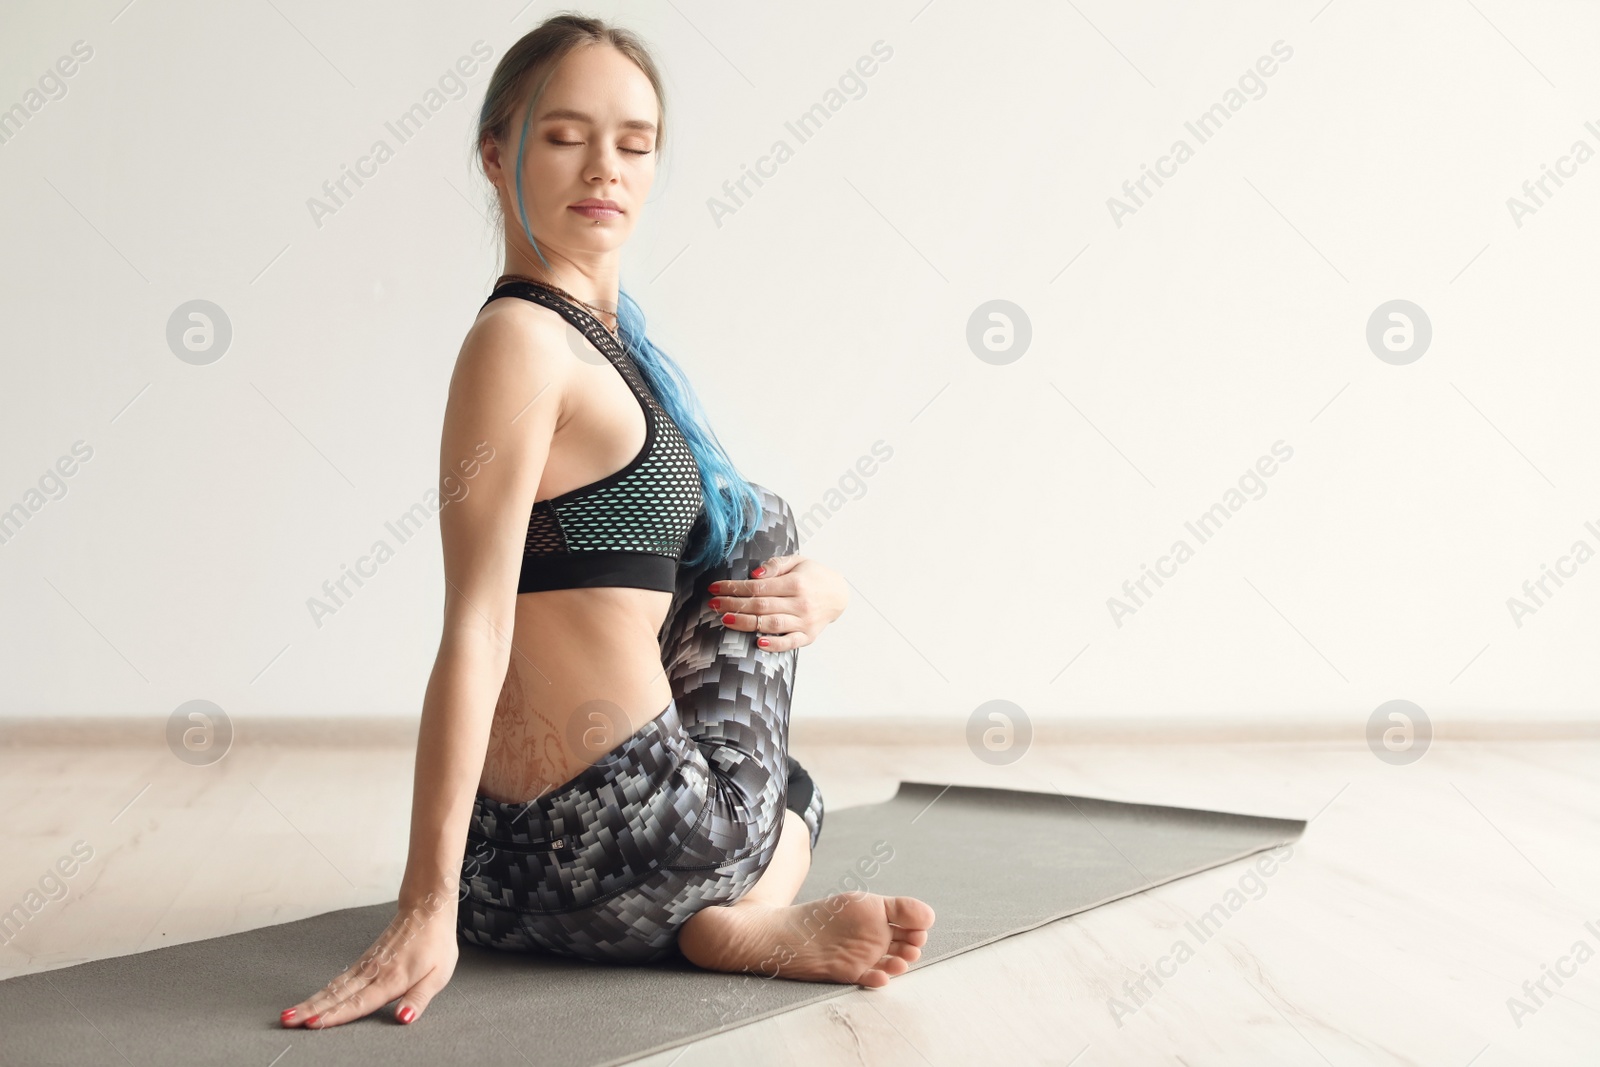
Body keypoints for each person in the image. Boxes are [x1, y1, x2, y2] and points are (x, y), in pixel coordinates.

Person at [281, 13, 934, 1031]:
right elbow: (476, 625)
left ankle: (736, 910)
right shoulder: (522, 341)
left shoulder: (609, 348)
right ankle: (743, 909)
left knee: (741, 542)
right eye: (563, 136)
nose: (605, 168)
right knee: (757, 531)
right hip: (650, 844)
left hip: (512, 884)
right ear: (496, 153)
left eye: (634, 144)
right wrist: (422, 903)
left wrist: (831, 588)